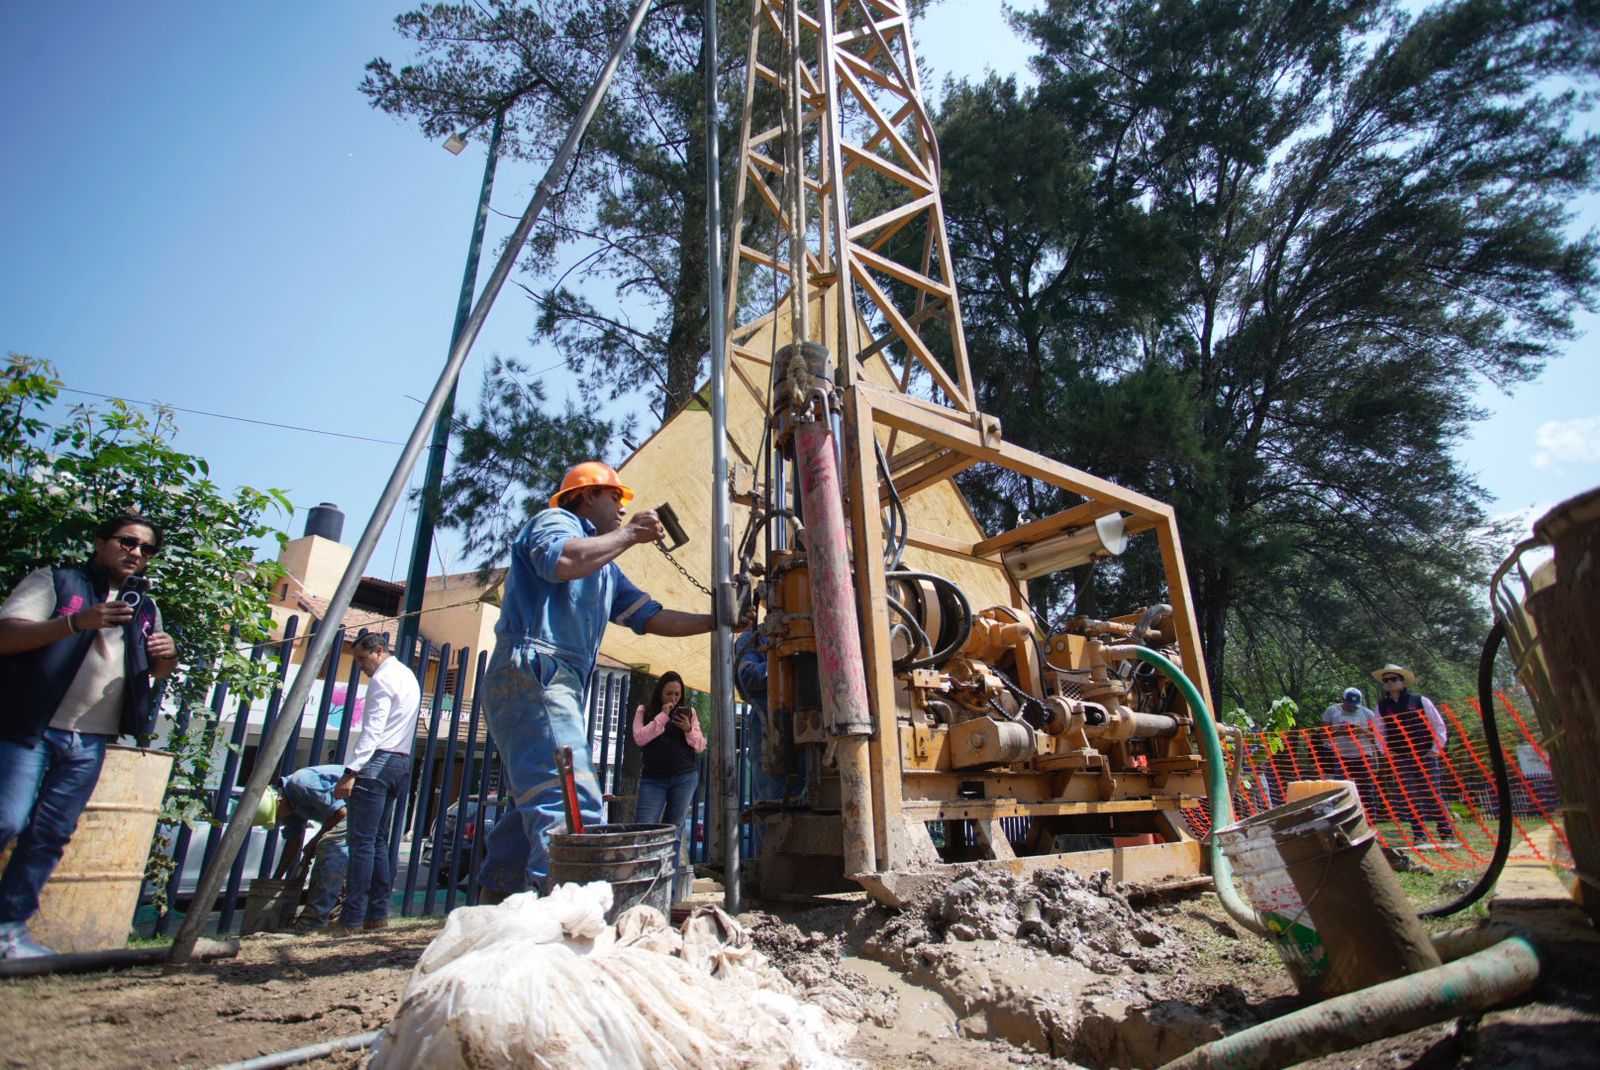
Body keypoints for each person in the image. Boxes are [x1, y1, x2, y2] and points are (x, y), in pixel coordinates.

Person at [476, 461, 739, 902]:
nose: (620, 507)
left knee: (533, 803)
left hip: (552, 682)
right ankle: (572, 924)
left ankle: (493, 909)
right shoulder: (555, 522)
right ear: (585, 496)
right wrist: (630, 535)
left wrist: (717, 620)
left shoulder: (606, 569)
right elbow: (561, 560)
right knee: (570, 800)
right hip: (535, 670)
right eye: (613, 496)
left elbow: (651, 617)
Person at [0, 512, 178, 959]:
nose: (135, 552)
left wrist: (167, 656)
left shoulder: (145, 605)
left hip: (91, 738)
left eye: (145, 548)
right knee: (6, 821)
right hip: (30, 727)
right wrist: (77, 623)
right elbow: (6, 635)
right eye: (126, 541)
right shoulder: (57, 582)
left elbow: (151, 672)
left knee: (51, 833)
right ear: (100, 543)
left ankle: (8, 933)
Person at [333, 632, 420, 931]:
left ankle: (352, 918)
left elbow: (372, 731)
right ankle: (377, 914)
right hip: (401, 762)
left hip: (377, 763)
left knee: (361, 843)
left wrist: (351, 772)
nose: (360, 666)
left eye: (361, 658)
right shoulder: (407, 675)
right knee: (378, 842)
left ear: (378, 651)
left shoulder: (383, 680)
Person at [1373, 663, 1453, 841]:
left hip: (1426, 755)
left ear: (1403, 682)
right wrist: (1386, 752)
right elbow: (1379, 733)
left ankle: (1446, 832)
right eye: (1386, 681)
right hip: (1401, 758)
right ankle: (1419, 834)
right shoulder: (1382, 707)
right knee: (1410, 796)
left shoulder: (1420, 701)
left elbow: (1438, 724)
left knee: (1433, 794)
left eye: (1393, 679)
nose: (1390, 683)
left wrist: (1436, 749)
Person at [266, 764, 348, 932]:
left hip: (356, 803)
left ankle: (313, 921)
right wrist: (276, 880)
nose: (279, 819)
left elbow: (340, 813)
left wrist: (314, 841)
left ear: (279, 802)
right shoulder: (288, 807)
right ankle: (335, 909)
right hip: (344, 810)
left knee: (329, 848)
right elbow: (293, 843)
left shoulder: (302, 784)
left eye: (276, 815)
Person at [1317, 687, 1385, 817]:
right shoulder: (1332, 711)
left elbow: (1377, 738)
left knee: (1367, 792)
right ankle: (1344, 820)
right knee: (1341, 791)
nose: (1353, 708)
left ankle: (1371, 822)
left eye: (1355, 705)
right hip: (1342, 756)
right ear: (1343, 700)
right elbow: (1323, 734)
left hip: (1364, 756)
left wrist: (1361, 731)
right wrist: (1341, 732)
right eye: (1349, 704)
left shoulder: (1368, 714)